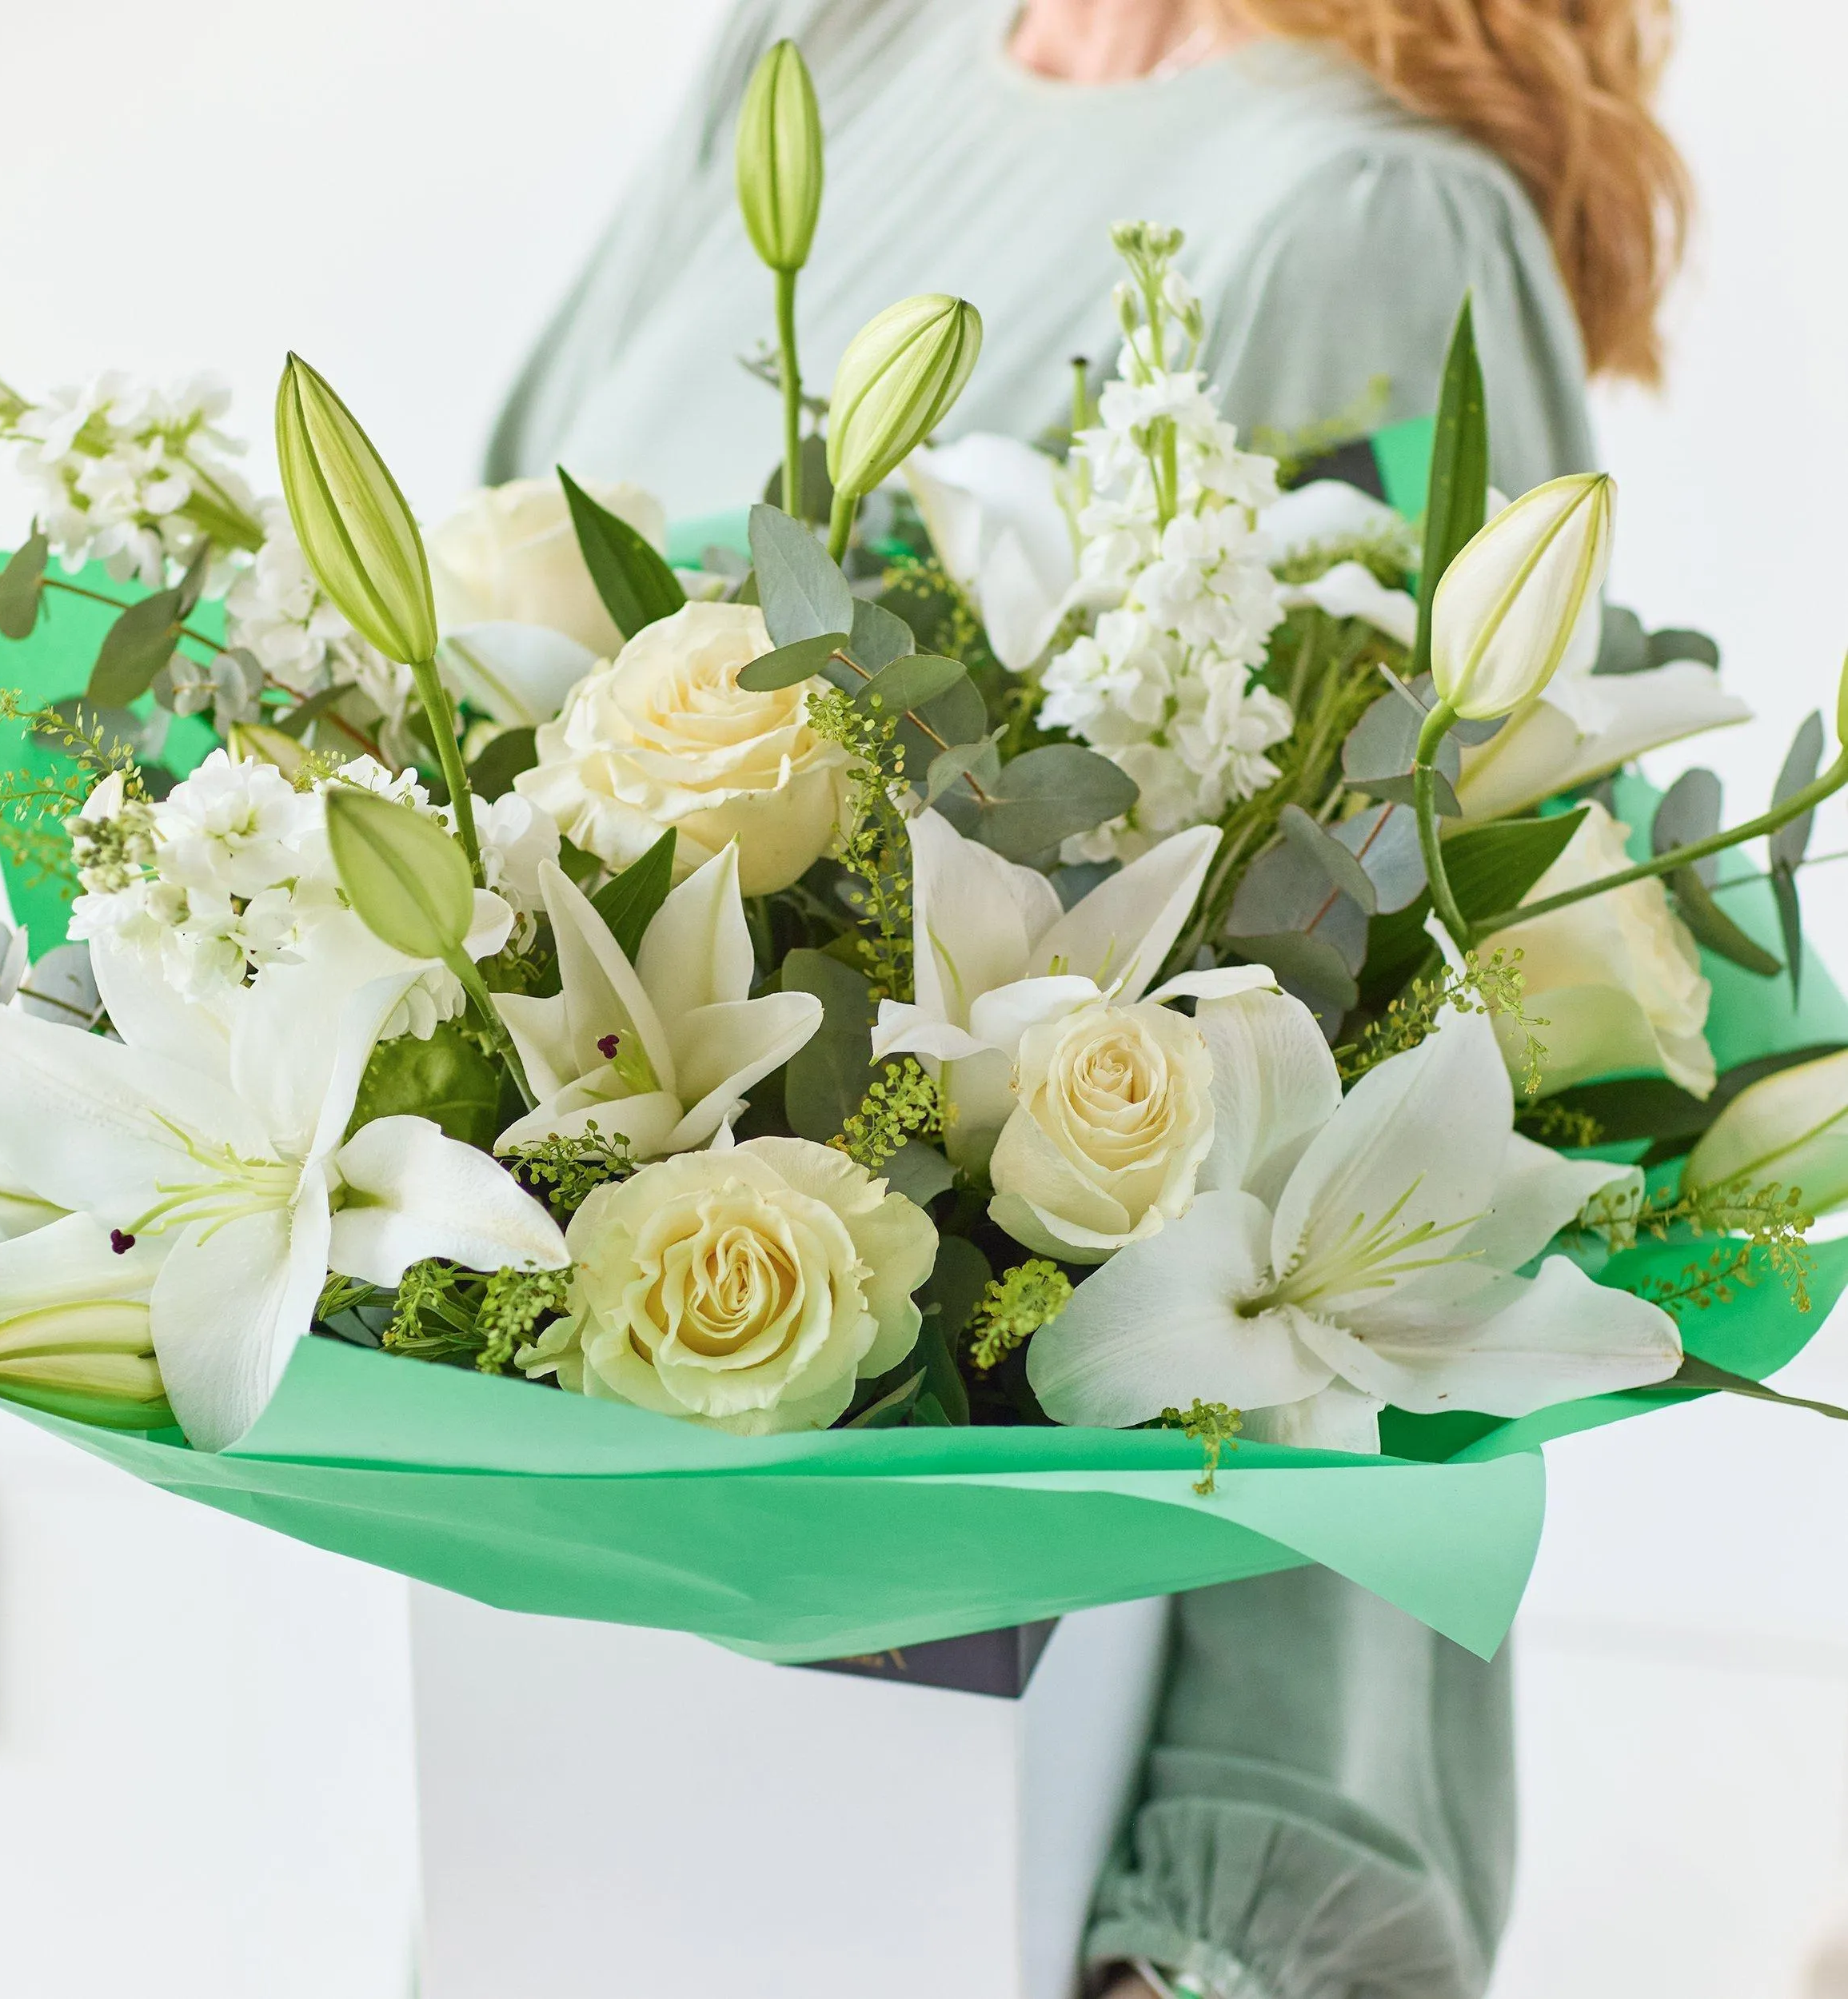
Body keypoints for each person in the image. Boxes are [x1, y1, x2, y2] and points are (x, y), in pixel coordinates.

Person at [486, 3, 1689, 1993]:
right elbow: (491, 630)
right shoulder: (825, 44)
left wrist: (1226, 1910)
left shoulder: (1363, 216)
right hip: (597, 1709)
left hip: (1009, 1801)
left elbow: (1373, 1098)